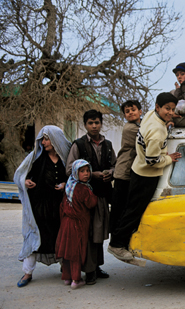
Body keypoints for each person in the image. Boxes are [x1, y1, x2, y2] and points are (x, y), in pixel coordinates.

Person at [108, 92, 182, 261]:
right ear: (158, 107)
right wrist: (168, 158)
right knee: (134, 211)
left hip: (137, 168)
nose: (170, 112)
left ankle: (120, 241)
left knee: (130, 208)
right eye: (167, 109)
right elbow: (152, 161)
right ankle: (117, 245)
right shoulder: (157, 132)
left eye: (172, 109)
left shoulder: (151, 115)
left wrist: (168, 119)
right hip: (146, 175)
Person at [14, 125, 71, 288]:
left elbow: (75, 177)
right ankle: (27, 273)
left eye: (46, 139)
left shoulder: (65, 158)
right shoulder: (36, 157)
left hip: (60, 207)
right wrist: (24, 181)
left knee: (60, 237)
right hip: (39, 207)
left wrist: (66, 184)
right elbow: (19, 174)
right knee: (34, 238)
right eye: (42, 139)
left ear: (55, 140)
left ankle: (64, 268)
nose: (43, 142)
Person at [66, 109, 116, 285]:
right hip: (84, 198)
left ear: (101, 124)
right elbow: (69, 169)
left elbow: (114, 165)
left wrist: (110, 172)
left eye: (97, 122)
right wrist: (90, 174)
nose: (94, 126)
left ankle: (96, 266)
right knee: (87, 233)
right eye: (90, 123)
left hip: (102, 195)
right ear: (85, 124)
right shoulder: (78, 145)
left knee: (98, 232)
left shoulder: (108, 144)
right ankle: (89, 270)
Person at [56, 159, 98, 290]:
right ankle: (76, 279)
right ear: (75, 172)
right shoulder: (83, 189)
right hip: (78, 225)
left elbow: (62, 206)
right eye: (82, 171)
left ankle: (67, 278)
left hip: (66, 223)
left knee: (67, 251)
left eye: (87, 171)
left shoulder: (69, 186)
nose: (86, 174)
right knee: (76, 251)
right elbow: (91, 203)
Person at [110, 100, 142, 233]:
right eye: (127, 112)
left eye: (133, 110)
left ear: (140, 111)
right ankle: (116, 235)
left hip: (130, 170)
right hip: (124, 170)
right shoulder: (130, 128)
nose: (130, 113)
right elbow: (147, 135)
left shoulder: (140, 125)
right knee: (120, 206)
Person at [170, 62, 185, 127]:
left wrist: (178, 90)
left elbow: (181, 102)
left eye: (182, 74)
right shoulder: (182, 87)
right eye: (177, 75)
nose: (179, 77)